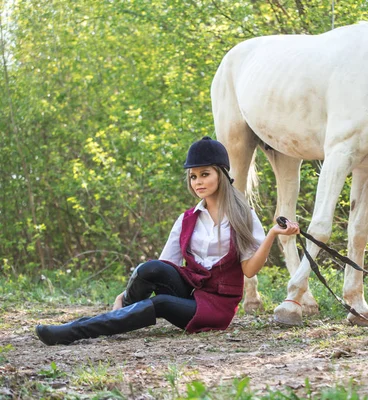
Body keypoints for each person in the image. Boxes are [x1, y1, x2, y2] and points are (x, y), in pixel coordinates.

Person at [35, 136, 299, 346]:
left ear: (220, 174)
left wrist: (273, 234)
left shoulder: (243, 216)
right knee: (148, 268)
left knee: (160, 304)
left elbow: (249, 270)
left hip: (216, 306)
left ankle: (72, 331)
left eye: (205, 174)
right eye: (193, 176)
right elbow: (163, 267)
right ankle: (121, 310)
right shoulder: (187, 219)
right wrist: (126, 294)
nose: (198, 182)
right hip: (189, 289)